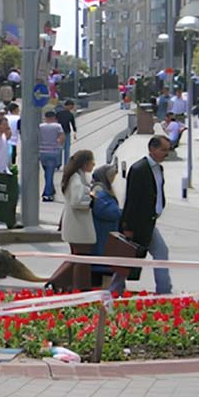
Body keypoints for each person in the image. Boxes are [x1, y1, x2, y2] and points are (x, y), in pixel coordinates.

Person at [119, 136, 173, 294]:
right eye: (163, 150)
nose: (166, 153)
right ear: (152, 149)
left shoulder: (159, 169)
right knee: (127, 258)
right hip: (137, 224)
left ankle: (164, 291)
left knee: (161, 252)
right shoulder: (139, 169)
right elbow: (131, 200)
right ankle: (115, 289)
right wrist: (127, 227)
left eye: (167, 150)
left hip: (150, 221)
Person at [59, 150, 97, 291]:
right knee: (80, 259)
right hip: (78, 226)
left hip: (76, 225)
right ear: (85, 163)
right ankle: (70, 285)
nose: (94, 164)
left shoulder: (77, 177)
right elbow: (77, 201)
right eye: (92, 161)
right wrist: (91, 199)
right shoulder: (75, 179)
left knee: (78, 258)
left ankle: (70, 286)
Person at [89, 164, 128, 295]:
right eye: (111, 176)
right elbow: (107, 211)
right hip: (103, 234)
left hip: (106, 233)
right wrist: (120, 212)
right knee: (105, 269)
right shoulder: (100, 191)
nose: (113, 179)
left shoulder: (101, 189)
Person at [38, 110, 64, 202]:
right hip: (53, 152)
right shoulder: (58, 126)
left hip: (42, 153)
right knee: (50, 173)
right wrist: (59, 147)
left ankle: (51, 190)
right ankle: (47, 194)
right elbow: (61, 138)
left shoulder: (40, 126)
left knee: (47, 173)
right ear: (54, 118)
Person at [55, 100, 77, 167]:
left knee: (60, 149)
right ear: (67, 106)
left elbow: (55, 122)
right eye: (71, 106)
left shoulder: (59, 113)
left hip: (61, 133)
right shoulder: (70, 114)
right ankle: (66, 164)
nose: (72, 108)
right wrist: (75, 132)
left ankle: (58, 164)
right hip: (65, 133)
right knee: (66, 149)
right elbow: (73, 125)